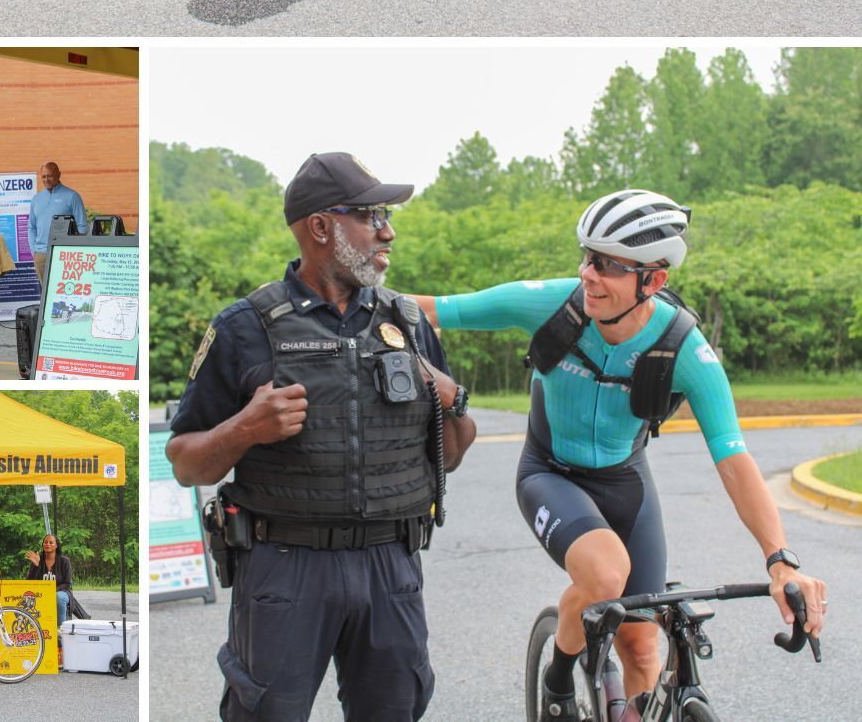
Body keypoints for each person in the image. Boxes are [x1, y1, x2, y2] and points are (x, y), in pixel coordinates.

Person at [413, 189, 827, 720]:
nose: (588, 273)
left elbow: (734, 457)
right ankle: (558, 676)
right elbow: (435, 310)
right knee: (606, 576)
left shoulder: (686, 350)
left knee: (640, 643)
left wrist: (780, 560)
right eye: (587, 256)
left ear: (653, 280)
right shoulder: (553, 304)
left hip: (624, 483)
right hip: (549, 472)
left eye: (608, 264)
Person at [166, 151, 476, 722]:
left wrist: (453, 399)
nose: (388, 231)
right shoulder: (244, 327)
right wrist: (245, 428)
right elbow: (186, 463)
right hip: (286, 567)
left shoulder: (406, 322)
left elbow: (449, 456)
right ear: (321, 226)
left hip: (391, 564)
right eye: (371, 215)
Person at [28, 161, 87, 285]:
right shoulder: (36, 199)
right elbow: (31, 228)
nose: (46, 179)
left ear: (58, 175)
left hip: (65, 254)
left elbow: (82, 226)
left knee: (65, 289)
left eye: (49, 176)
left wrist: (75, 251)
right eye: (43, 176)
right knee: (45, 292)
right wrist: (34, 250)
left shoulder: (72, 196)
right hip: (41, 254)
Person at [25, 532, 73, 628]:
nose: (48, 544)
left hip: (61, 592)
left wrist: (51, 591)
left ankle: (61, 629)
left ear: (56, 545)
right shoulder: (38, 559)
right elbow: (30, 582)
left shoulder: (64, 561)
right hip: (40, 593)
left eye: (51, 542)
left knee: (58, 597)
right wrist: (36, 566)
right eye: (46, 542)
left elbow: (67, 583)